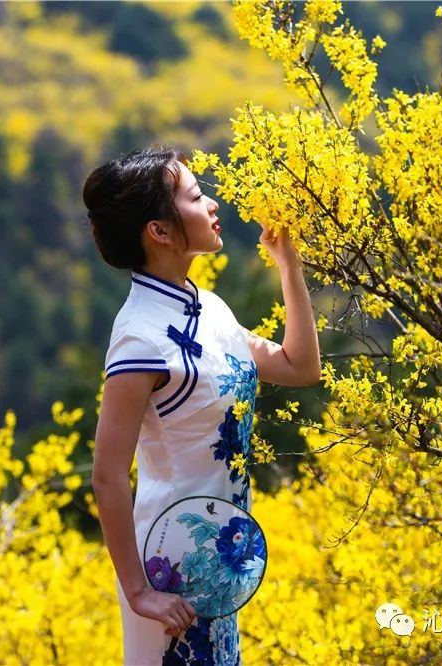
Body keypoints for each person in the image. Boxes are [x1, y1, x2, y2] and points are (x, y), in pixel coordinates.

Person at [85, 146, 321, 665]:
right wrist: (139, 592)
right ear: (160, 232)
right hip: (167, 567)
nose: (212, 204)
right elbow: (107, 475)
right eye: (195, 196)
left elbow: (299, 366)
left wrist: (289, 264)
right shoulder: (139, 339)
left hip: (220, 557)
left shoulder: (208, 308)